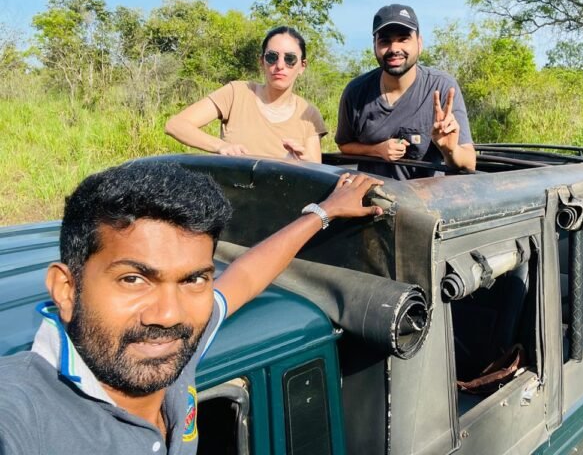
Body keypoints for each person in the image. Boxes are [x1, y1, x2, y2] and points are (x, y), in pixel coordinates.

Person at [0, 162, 381, 454]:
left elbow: (246, 276)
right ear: (66, 290)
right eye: (133, 279)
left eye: (193, 279)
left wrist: (323, 213)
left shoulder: (172, 343)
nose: (168, 316)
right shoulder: (19, 411)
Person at [335, 4, 476, 180]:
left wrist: (450, 149)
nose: (394, 49)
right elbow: (344, 145)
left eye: (403, 39)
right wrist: (376, 150)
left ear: (419, 43)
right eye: (385, 41)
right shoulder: (356, 92)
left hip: (427, 196)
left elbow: (469, 162)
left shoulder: (442, 87)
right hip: (371, 195)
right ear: (374, 46)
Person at [165, 26, 326, 162]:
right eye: (272, 57)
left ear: (302, 66)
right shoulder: (236, 93)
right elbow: (175, 125)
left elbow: (316, 171)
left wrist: (304, 162)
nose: (280, 65)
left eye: (290, 59)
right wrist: (221, 146)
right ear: (261, 62)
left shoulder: (309, 114)